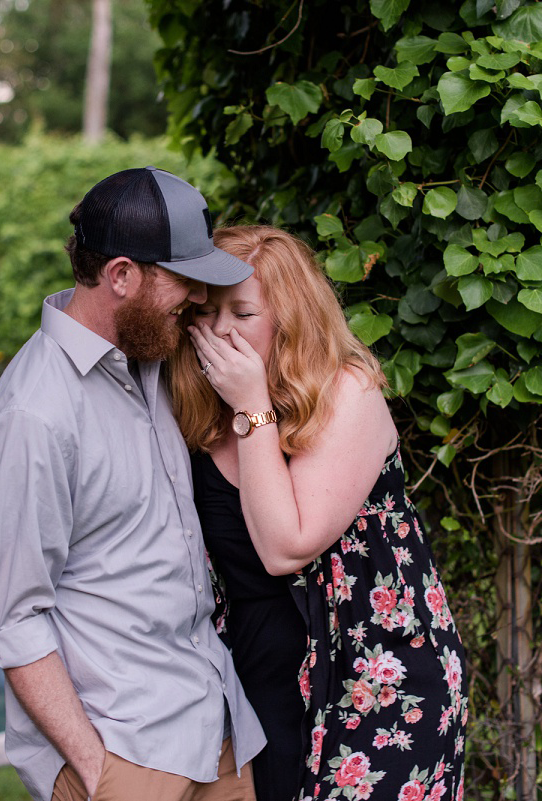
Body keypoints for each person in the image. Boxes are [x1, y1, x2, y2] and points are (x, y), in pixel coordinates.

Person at [0, 168, 266, 801]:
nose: (195, 297)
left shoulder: (152, 357)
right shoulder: (34, 415)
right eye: (182, 278)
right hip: (122, 749)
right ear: (123, 276)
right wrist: (94, 767)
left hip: (215, 724)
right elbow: (11, 619)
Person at [171, 225, 468, 801]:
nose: (221, 331)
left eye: (244, 313)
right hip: (260, 680)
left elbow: (287, 547)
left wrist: (254, 407)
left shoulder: (345, 393)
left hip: (377, 679)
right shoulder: (199, 407)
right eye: (209, 313)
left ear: (291, 318)